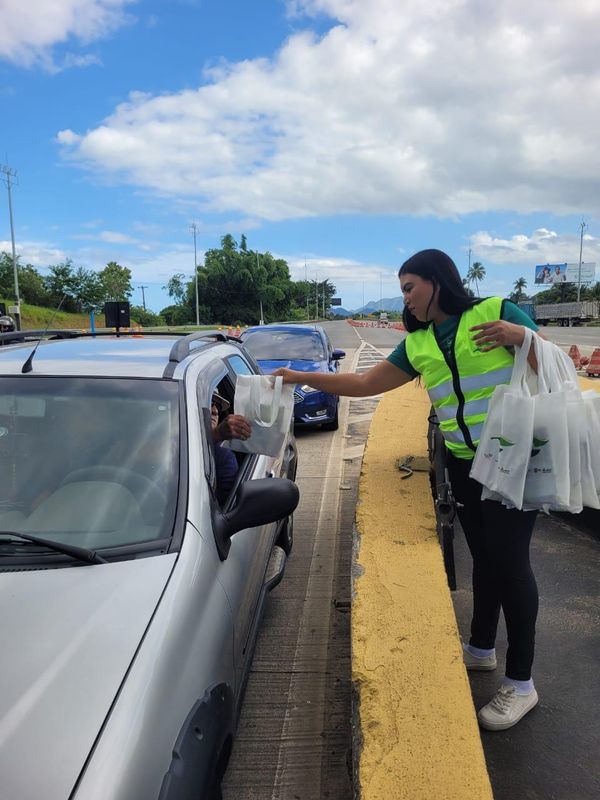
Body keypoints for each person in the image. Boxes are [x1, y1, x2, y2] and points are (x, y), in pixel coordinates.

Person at [273, 249, 542, 732]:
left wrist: (522, 337)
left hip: (514, 462)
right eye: (402, 290)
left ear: (437, 282)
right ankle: (482, 648)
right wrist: (298, 377)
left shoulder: (497, 311)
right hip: (464, 465)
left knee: (512, 565)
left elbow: (557, 365)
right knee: (485, 557)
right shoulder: (419, 342)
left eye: (409, 287)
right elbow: (361, 382)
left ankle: (521, 682)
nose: (407, 298)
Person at [210, 392, 251, 504]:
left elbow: (226, 506)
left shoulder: (222, 452)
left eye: (217, 406)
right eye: (208, 403)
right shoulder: (168, 444)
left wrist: (216, 435)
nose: (215, 411)